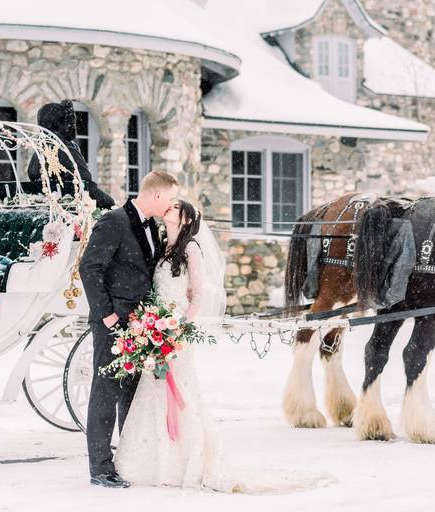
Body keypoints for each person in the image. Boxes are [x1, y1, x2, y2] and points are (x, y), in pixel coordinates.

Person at [113, 201, 335, 494]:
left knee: (179, 389)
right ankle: (155, 460)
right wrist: (151, 324)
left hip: (176, 330)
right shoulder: (163, 244)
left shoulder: (191, 248)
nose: (169, 207)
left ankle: (184, 459)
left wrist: (179, 328)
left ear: (186, 217)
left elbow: (198, 294)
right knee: (154, 391)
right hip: (156, 326)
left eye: (176, 206)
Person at [78, 170, 179, 488]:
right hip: (112, 322)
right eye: (171, 198)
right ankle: (100, 469)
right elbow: (89, 266)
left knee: (130, 393)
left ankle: (125, 458)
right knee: (106, 392)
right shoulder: (115, 221)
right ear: (158, 195)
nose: (172, 205)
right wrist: (106, 314)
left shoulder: (151, 226)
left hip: (138, 325)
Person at [26, 100, 114, 209]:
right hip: (68, 210)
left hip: (46, 207)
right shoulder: (64, 150)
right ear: (60, 124)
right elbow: (86, 186)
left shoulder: (39, 151)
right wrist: (111, 203)